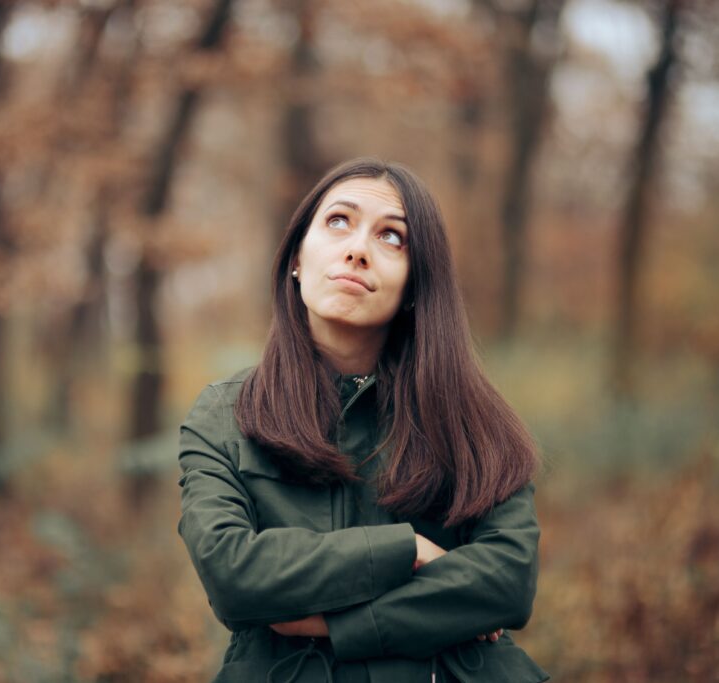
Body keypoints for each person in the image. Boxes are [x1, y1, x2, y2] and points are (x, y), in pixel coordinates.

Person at [177, 158, 549, 682]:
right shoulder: (224, 414)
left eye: (392, 238)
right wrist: (408, 549)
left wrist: (328, 624)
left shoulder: (476, 421)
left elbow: (508, 582)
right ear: (297, 260)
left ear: (416, 285)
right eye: (337, 222)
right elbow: (233, 574)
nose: (357, 250)